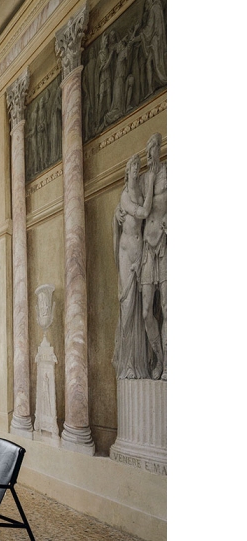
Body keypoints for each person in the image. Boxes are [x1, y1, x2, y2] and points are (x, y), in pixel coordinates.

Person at [112, 153, 152, 380]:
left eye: (138, 166)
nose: (136, 170)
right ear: (127, 172)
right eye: (133, 167)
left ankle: (137, 363)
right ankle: (126, 361)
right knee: (127, 305)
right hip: (126, 254)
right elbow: (144, 213)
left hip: (140, 254)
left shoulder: (141, 192)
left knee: (141, 308)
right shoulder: (125, 196)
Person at [140, 133, 166, 379]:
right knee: (147, 311)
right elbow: (136, 208)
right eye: (147, 152)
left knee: (168, 307)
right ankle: (158, 357)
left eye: (152, 150)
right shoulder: (144, 180)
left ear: (159, 150)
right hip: (148, 249)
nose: (149, 156)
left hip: (166, 245)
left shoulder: (168, 174)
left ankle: (168, 364)